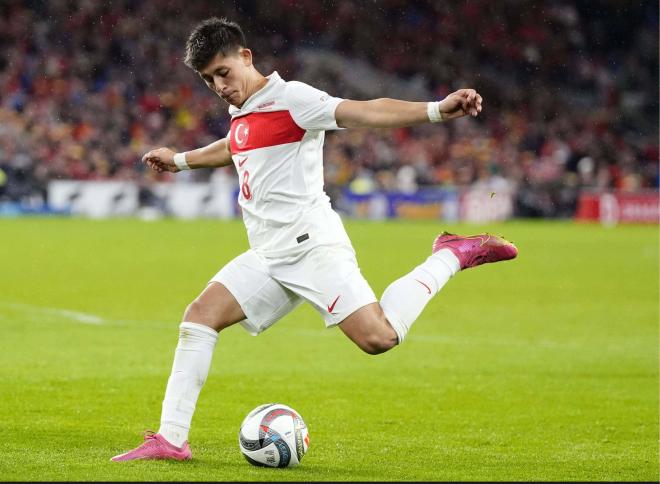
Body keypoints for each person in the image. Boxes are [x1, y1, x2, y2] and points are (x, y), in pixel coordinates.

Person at [111, 17, 518, 462]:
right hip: (268, 253)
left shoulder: (294, 99)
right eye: (209, 80)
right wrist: (181, 160)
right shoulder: (242, 112)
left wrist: (437, 109)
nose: (219, 86)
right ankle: (171, 440)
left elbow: (364, 110)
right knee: (199, 317)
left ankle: (450, 255)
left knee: (379, 338)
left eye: (223, 73)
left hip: (312, 247)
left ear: (246, 57)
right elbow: (233, 144)